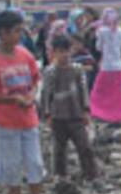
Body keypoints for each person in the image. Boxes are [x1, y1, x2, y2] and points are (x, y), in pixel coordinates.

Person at [0, 10, 48, 194]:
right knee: (11, 165)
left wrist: (31, 96)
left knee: (35, 162)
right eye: (17, 31)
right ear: (3, 33)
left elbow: (36, 80)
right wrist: (12, 99)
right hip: (7, 122)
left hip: (29, 119)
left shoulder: (25, 55)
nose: (20, 35)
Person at [41, 35, 99, 184]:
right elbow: (46, 94)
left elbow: (83, 90)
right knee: (59, 149)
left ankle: (91, 175)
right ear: (54, 52)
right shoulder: (50, 72)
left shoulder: (77, 70)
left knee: (84, 146)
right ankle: (61, 176)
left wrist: (86, 111)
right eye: (60, 51)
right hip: (58, 116)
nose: (64, 55)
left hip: (76, 114)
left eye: (66, 51)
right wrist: (47, 114)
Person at [90, 8, 121, 125]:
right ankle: (120, 114)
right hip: (119, 65)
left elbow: (98, 47)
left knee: (101, 93)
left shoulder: (101, 31)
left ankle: (102, 113)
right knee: (119, 94)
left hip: (106, 66)